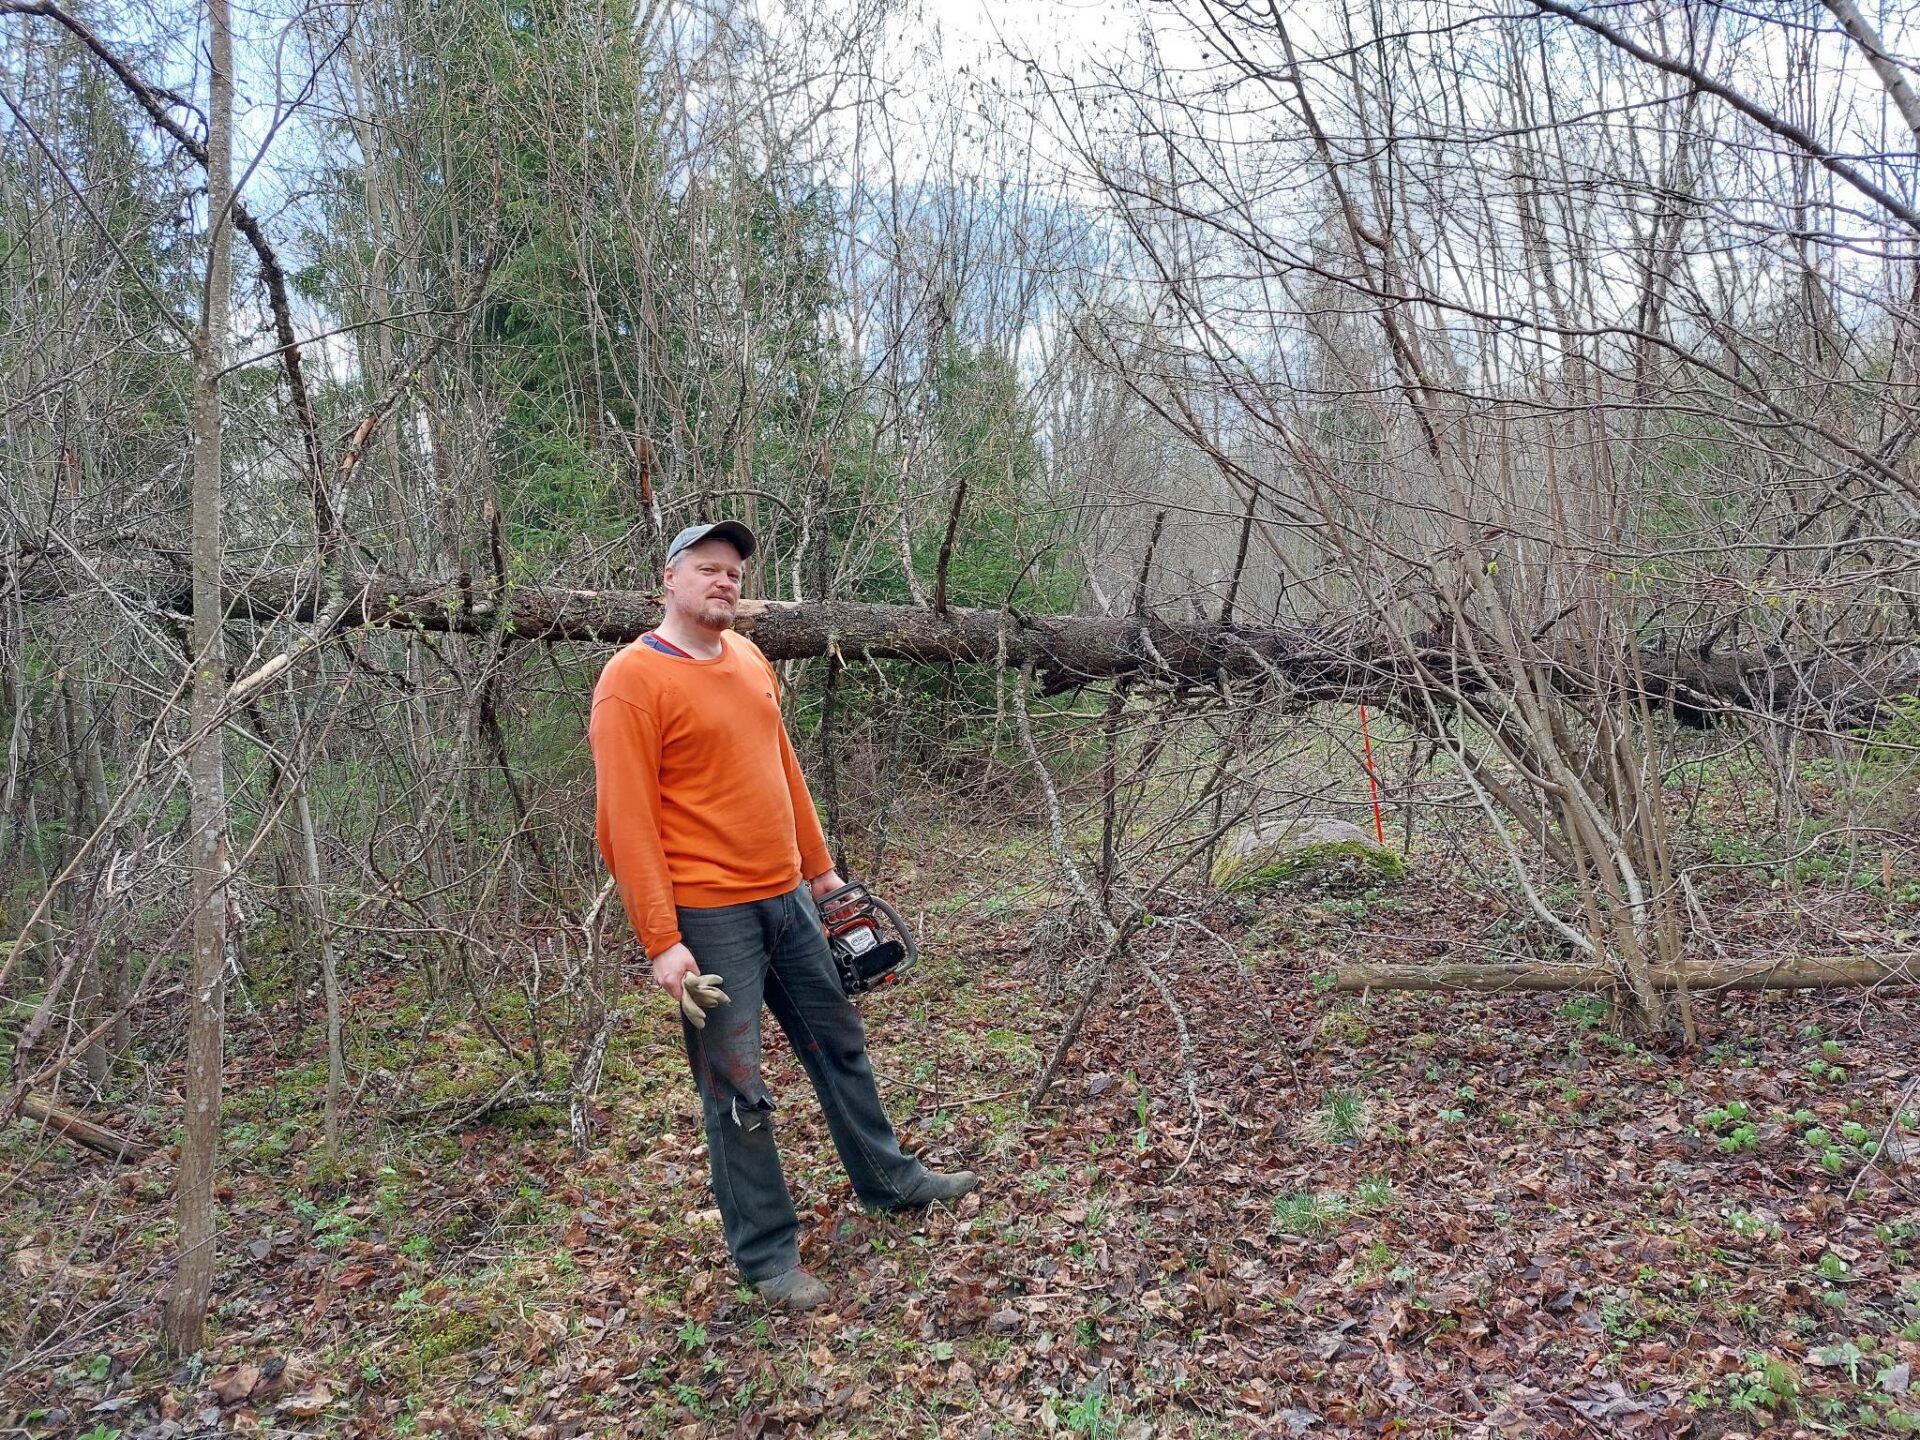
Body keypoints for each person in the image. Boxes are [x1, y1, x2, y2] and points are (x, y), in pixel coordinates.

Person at [589, 519, 977, 1311]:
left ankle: (892, 1181)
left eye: (732, 571)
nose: (723, 581)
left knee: (838, 1044)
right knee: (738, 1091)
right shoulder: (632, 680)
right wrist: (662, 943)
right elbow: (624, 822)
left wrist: (824, 877)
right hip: (708, 917)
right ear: (669, 579)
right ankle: (768, 1259)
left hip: (789, 901)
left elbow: (783, 769)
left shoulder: (750, 658)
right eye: (707, 568)